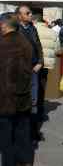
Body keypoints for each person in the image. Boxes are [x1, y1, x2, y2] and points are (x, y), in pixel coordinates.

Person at [0, 12, 34, 166]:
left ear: (4, 25)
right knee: (22, 133)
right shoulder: (25, 41)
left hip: (5, 97)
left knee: (7, 137)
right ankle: (24, 161)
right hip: (23, 95)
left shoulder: (3, 43)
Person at [16, 5, 45, 142]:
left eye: (30, 12)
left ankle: (33, 132)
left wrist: (40, 62)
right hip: (19, 71)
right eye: (27, 13)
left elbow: (38, 45)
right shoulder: (15, 29)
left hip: (33, 69)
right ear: (19, 15)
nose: (30, 14)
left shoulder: (32, 28)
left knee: (33, 101)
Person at [32, 8, 60, 122]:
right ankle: (40, 111)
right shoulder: (52, 32)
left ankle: (32, 112)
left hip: (33, 64)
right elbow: (57, 49)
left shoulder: (31, 30)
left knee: (32, 88)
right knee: (42, 88)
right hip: (46, 64)